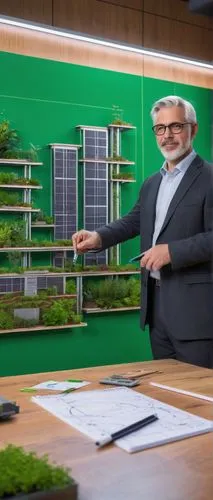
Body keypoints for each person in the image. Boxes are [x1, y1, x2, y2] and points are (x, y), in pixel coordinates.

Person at [72, 95, 213, 368]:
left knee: (200, 401)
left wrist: (172, 251)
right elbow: (133, 221)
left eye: (175, 126)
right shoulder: (152, 183)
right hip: (157, 311)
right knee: (166, 398)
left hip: (197, 317)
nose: (167, 135)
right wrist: (98, 237)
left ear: (192, 129)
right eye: (160, 128)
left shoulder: (210, 178)